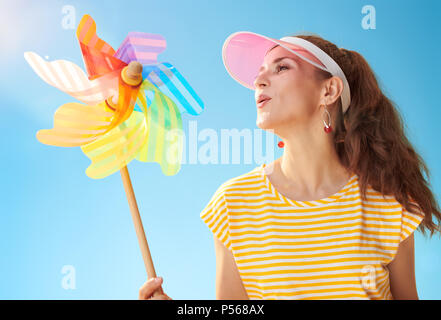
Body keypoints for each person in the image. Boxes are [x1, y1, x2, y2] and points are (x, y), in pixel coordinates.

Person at [139, 31, 441, 300]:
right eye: (260, 73)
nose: (258, 81)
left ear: (329, 91)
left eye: (281, 67)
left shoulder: (387, 205)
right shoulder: (234, 204)